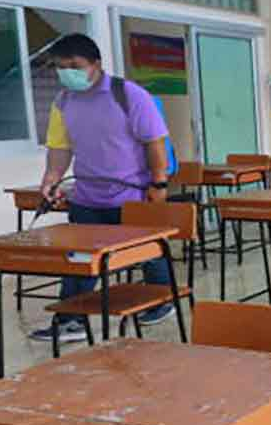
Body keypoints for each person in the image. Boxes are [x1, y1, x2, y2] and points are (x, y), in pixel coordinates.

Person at [30, 33, 174, 345]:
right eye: (60, 67)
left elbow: (154, 141)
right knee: (79, 258)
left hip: (131, 193)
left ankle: (163, 298)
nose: (67, 72)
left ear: (96, 64)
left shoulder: (129, 94)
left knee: (147, 251)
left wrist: (159, 182)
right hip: (86, 195)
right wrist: (51, 177)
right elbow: (60, 147)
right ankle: (72, 320)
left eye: (74, 65)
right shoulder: (63, 101)